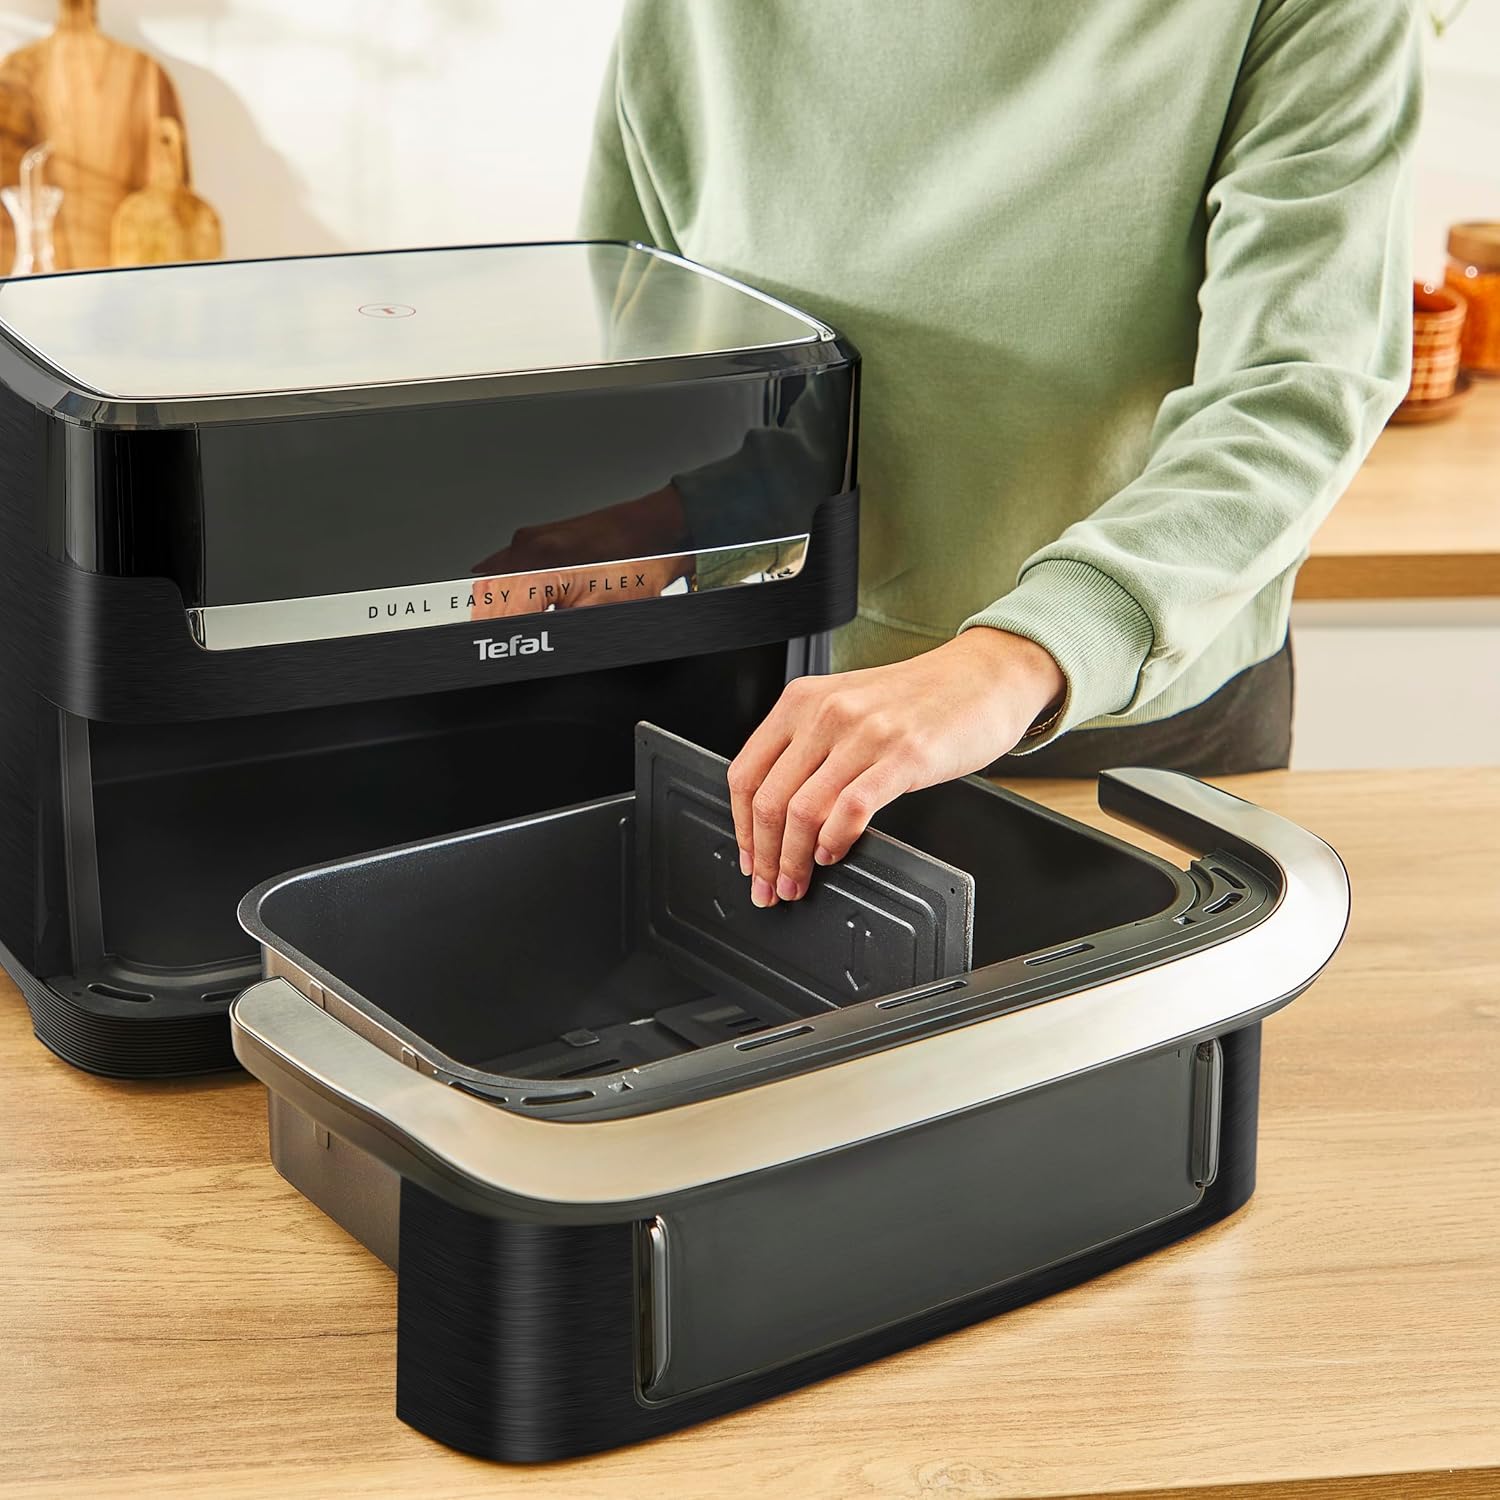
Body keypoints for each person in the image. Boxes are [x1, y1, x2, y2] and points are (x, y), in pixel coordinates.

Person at [573, 0, 1419, 909]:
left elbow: (1293, 384)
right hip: (772, 704)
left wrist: (1023, 654)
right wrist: (660, 511)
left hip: (1116, 714)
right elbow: (653, 321)